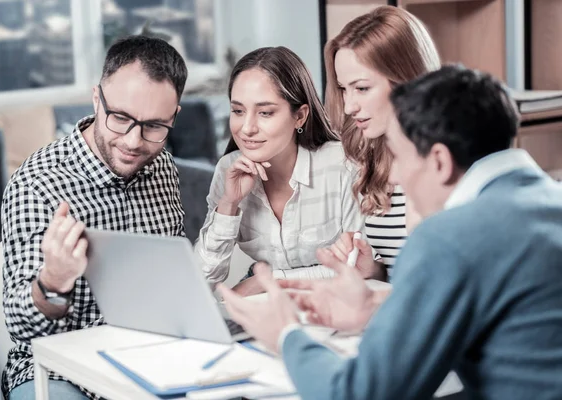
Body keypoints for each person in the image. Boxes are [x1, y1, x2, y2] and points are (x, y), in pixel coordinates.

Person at [219, 65, 562, 399]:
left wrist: (286, 335)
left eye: (397, 156)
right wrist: (380, 307)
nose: (395, 176)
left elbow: (358, 394)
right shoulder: (549, 199)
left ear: (439, 161)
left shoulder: (450, 236)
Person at [1, 36, 187, 399]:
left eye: (154, 126)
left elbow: (170, 276)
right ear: (96, 99)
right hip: (56, 371)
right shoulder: (38, 183)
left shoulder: (162, 165)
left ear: (174, 116)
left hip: (147, 356)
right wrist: (53, 281)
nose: (134, 141)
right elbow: (21, 327)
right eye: (120, 118)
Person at [194, 46, 365, 295]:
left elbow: (357, 266)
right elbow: (201, 282)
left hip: (334, 303)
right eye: (238, 111)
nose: (247, 128)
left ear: (300, 117)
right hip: (266, 305)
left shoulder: (341, 166)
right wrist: (228, 205)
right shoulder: (228, 169)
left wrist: (271, 280)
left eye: (265, 113)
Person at [324, 6, 440, 280]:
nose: (349, 106)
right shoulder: (372, 154)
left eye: (362, 88)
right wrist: (374, 270)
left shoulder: (447, 161)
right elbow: (402, 276)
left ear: (407, 82)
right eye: (343, 89)